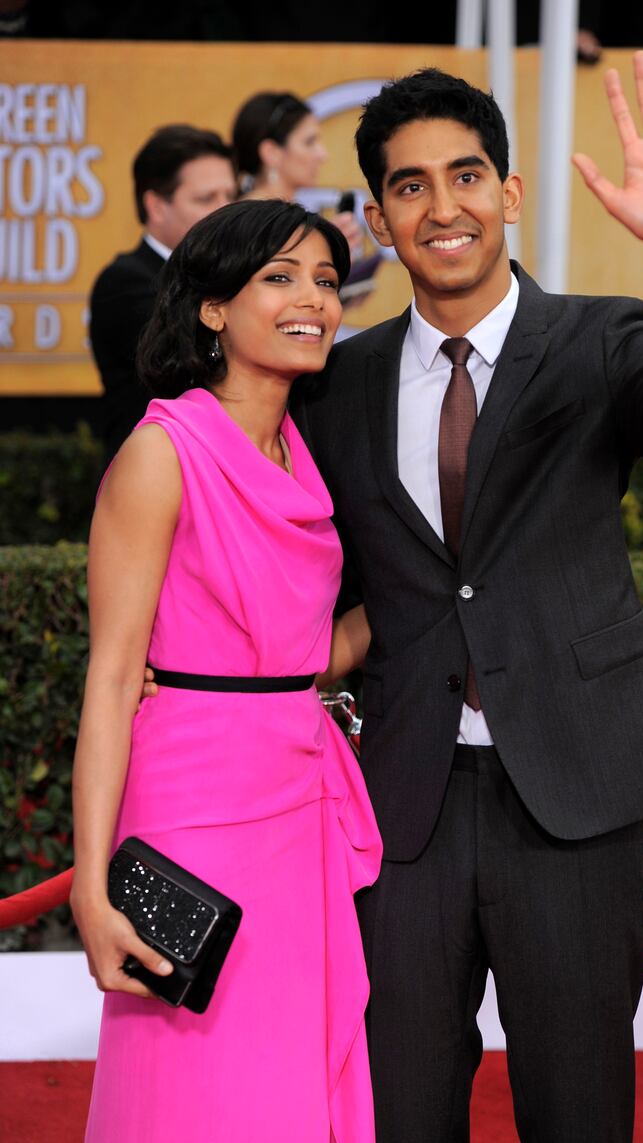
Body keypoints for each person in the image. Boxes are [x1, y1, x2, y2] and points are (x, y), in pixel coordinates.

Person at [291, 58, 643, 1141]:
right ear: (375, 217)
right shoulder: (341, 383)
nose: (440, 206)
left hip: (572, 789)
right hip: (399, 802)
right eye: (409, 187)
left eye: (464, 177)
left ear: (506, 193)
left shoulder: (596, 341)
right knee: (401, 1107)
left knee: (576, 1106)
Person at [71, 199, 382, 1141]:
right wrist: (90, 887)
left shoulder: (303, 454)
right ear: (213, 308)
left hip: (301, 795)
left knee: (289, 1078)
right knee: (196, 1089)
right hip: (192, 812)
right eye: (280, 278)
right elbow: (115, 679)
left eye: (326, 282)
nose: (313, 301)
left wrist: (449, 594)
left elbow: (300, 658)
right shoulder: (163, 452)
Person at [89, 125, 236, 463]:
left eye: (230, 195)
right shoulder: (124, 282)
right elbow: (192, 363)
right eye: (206, 198)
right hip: (155, 481)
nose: (225, 210)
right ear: (156, 206)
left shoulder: (221, 277)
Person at [232, 90, 363, 260]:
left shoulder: (289, 218)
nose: (322, 155)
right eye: (309, 142)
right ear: (271, 152)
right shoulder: (251, 225)